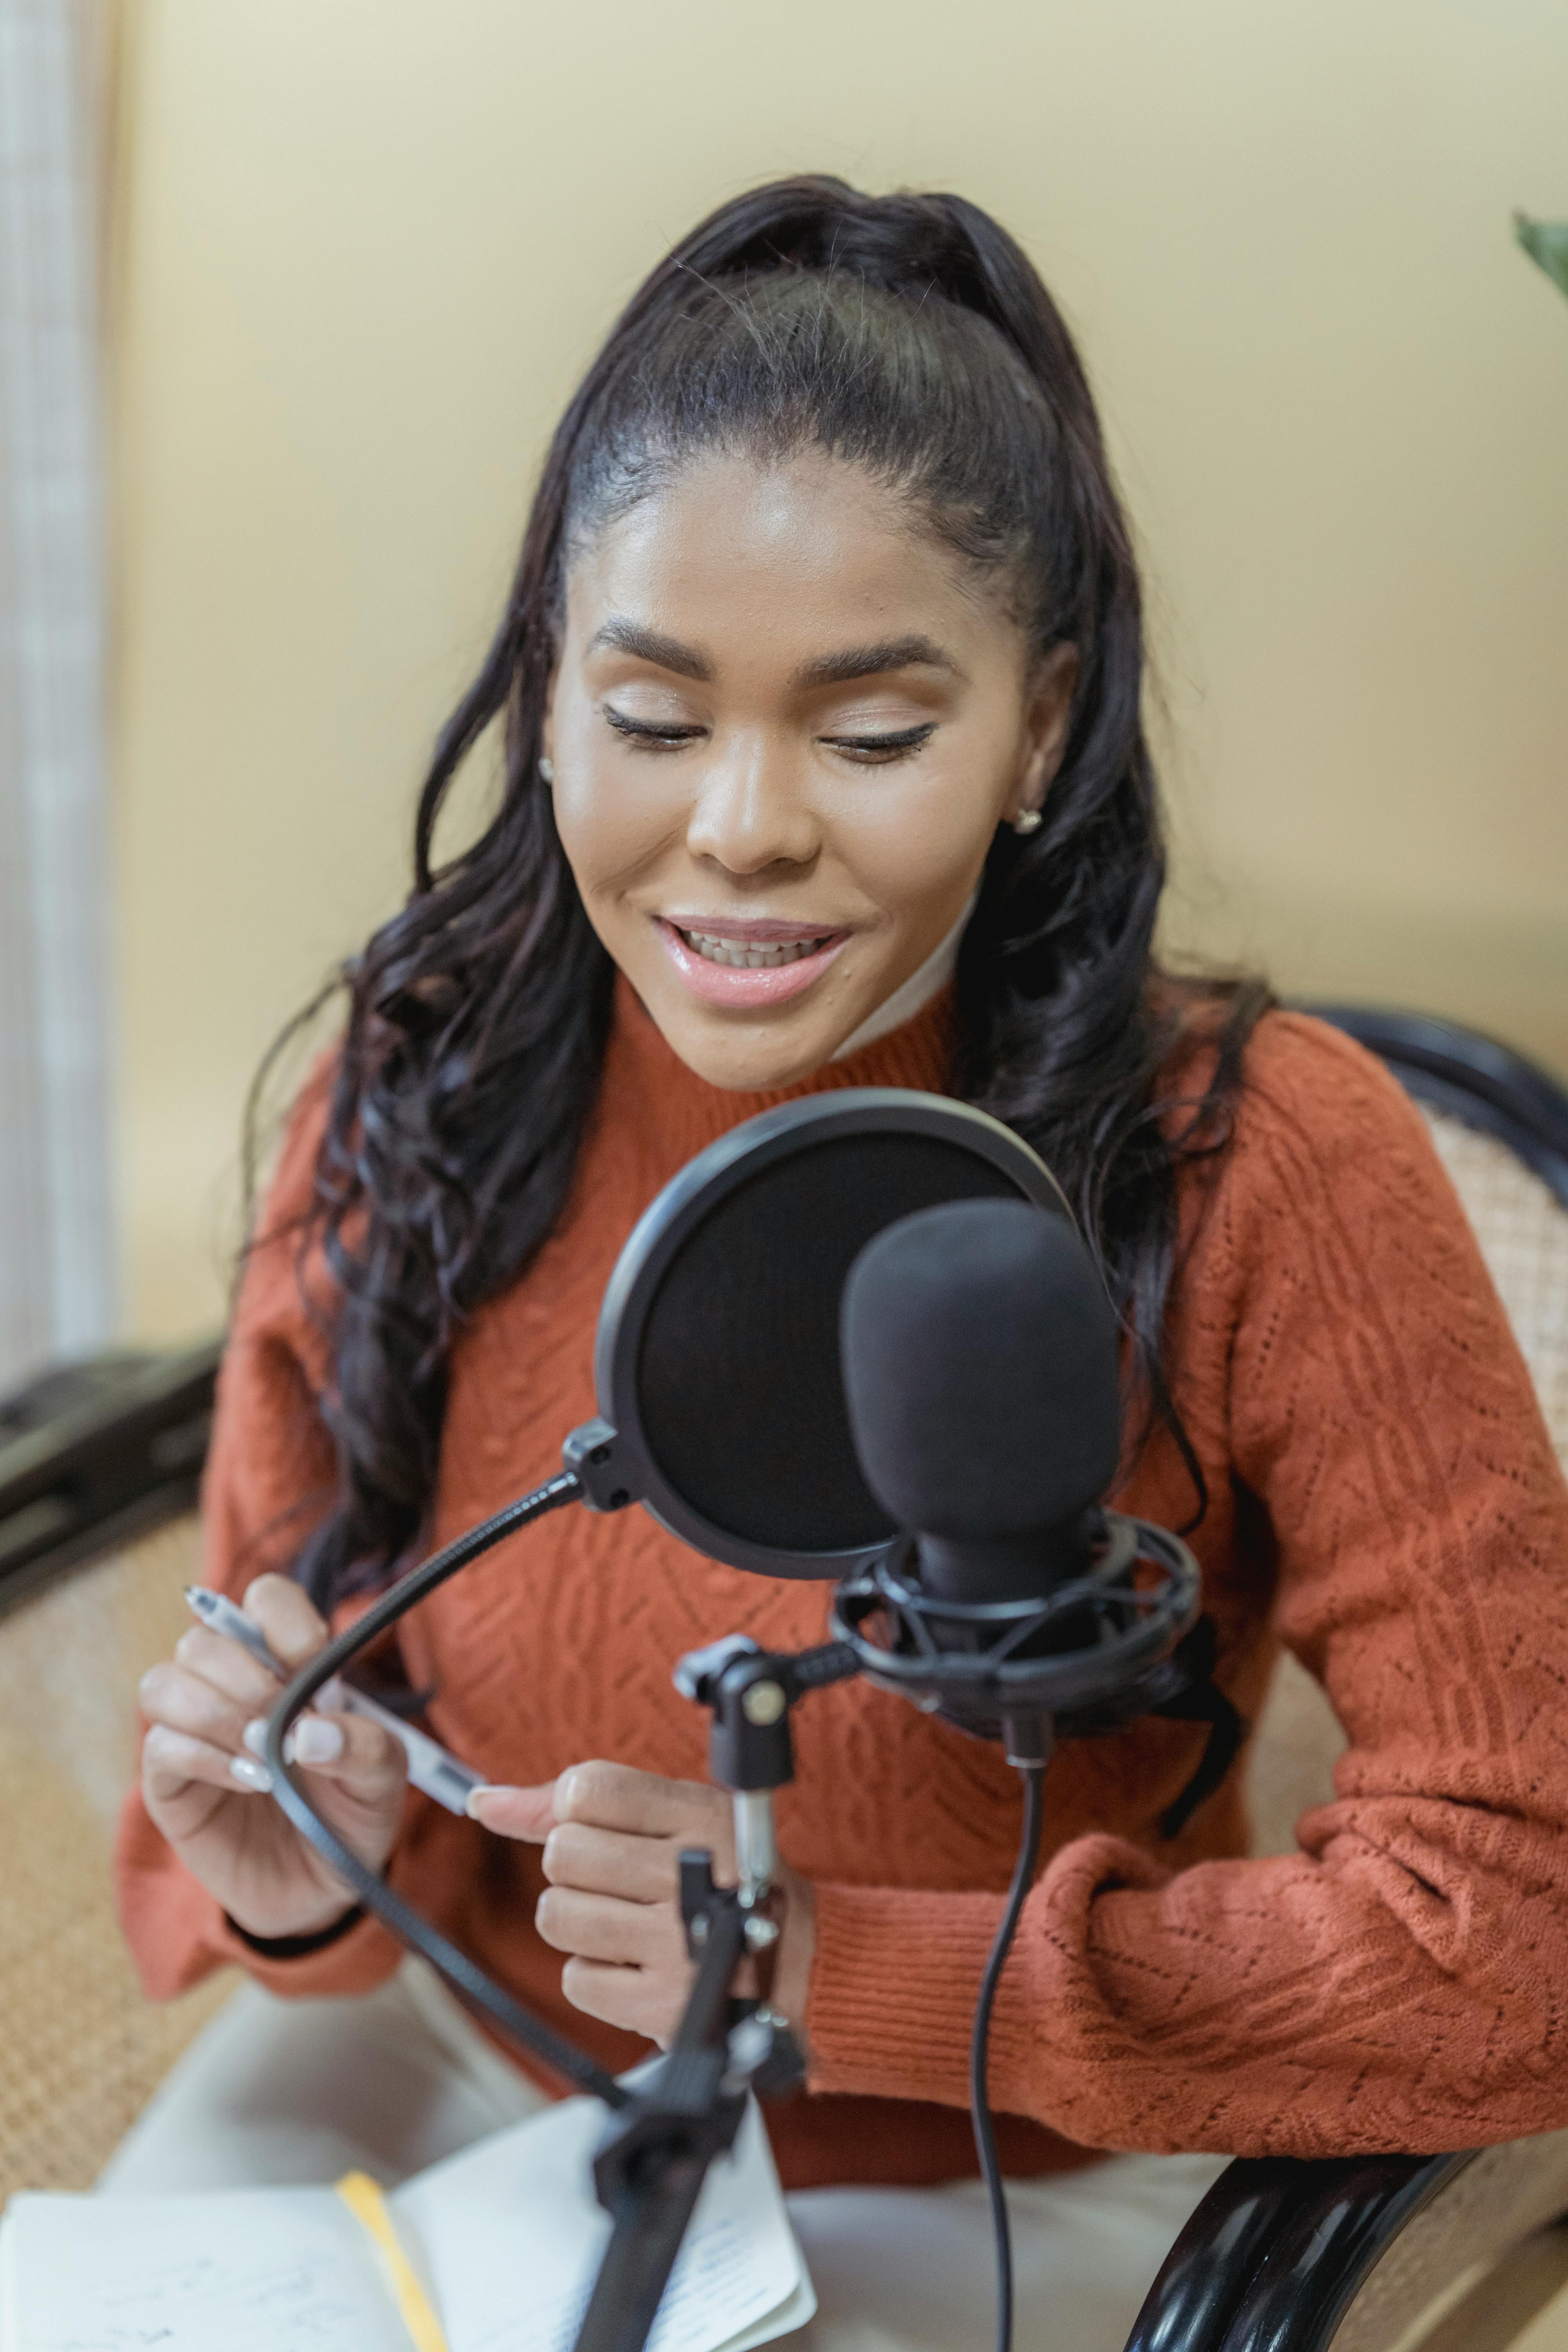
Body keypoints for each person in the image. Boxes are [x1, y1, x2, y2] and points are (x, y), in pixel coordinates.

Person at [111, 178, 1568, 2348]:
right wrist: (318, 1882)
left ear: (1042, 729)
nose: (742, 827)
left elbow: (1519, 1925)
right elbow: (309, 1767)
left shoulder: (1265, 1166)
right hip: (440, 2096)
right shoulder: (414, 1103)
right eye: (655, 716)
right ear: (546, 698)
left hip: (1004, 2162)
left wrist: (846, 1968)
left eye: (872, 735)